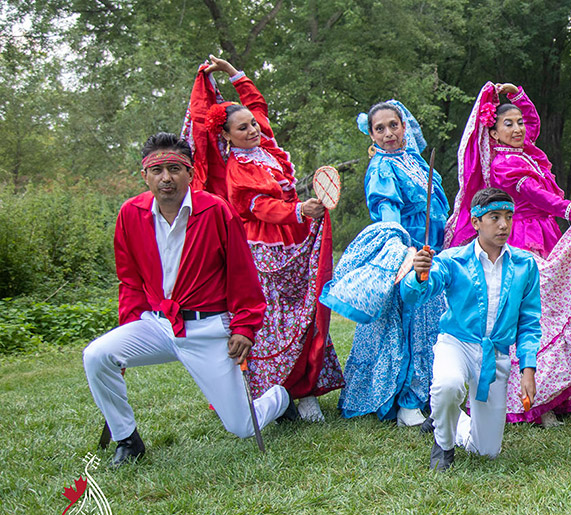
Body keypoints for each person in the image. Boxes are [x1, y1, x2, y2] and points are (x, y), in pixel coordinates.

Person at [83, 133, 294, 466]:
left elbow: (242, 274)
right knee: (97, 355)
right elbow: (130, 280)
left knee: (241, 427)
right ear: (145, 175)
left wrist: (244, 327)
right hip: (157, 325)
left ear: (190, 172)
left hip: (208, 328)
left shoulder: (215, 211)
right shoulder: (130, 214)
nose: (166, 178)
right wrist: (128, 333)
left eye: (174, 169)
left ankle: (280, 399)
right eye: (157, 170)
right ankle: (128, 439)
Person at [183, 55, 344, 422]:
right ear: (225, 136)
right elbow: (257, 208)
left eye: (252, 125)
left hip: (296, 236)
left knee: (304, 313)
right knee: (274, 322)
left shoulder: (267, 148)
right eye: (242, 129)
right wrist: (297, 211)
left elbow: (256, 104)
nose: (252, 130)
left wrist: (232, 73)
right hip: (263, 248)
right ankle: (278, 392)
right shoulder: (236, 170)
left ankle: (305, 390)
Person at [448, 82, 571, 427]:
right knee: (536, 318)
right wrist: (570, 209)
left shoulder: (524, 153)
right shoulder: (505, 164)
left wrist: (517, 96)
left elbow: (533, 126)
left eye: (520, 122)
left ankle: (557, 395)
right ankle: (535, 401)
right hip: (523, 237)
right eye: (509, 123)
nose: (519, 128)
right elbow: (535, 195)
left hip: (545, 233)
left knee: (555, 310)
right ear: (492, 131)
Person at [322, 100, 447, 427]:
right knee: (409, 323)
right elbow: (388, 210)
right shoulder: (382, 168)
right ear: (372, 134)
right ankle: (406, 402)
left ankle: (429, 393)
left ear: (404, 127)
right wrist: (402, 249)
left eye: (394, 125)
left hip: (435, 247)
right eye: (381, 128)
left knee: (431, 324)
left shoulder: (413, 161)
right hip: (408, 251)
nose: (389, 133)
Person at [401, 188, 541, 470]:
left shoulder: (525, 264)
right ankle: (443, 444)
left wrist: (528, 369)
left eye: (508, 217)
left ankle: (447, 417)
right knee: (448, 385)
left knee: (487, 451)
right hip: (457, 344)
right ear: (476, 222)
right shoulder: (453, 260)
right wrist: (418, 274)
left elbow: (529, 321)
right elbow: (415, 294)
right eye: (494, 217)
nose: (504, 225)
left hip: (495, 354)